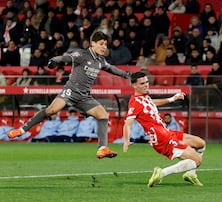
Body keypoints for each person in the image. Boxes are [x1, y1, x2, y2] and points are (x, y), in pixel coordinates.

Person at [7, 31, 131, 159]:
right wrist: (55, 60)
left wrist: (127, 75)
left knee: (103, 115)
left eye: (105, 44)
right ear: (92, 43)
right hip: (71, 91)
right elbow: (67, 57)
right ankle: (21, 130)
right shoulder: (82, 54)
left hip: (85, 97)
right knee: (51, 110)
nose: (104, 47)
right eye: (101, 44)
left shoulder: (100, 60)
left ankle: (102, 148)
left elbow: (111, 69)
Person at [123, 72, 206, 187]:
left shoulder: (144, 97)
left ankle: (190, 174)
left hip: (167, 132)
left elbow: (152, 103)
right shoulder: (135, 103)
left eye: (147, 82)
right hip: (161, 138)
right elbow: (128, 123)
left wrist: (173, 98)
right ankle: (162, 173)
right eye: (142, 83)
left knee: (200, 144)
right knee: (197, 161)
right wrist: (126, 141)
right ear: (134, 86)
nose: (146, 85)